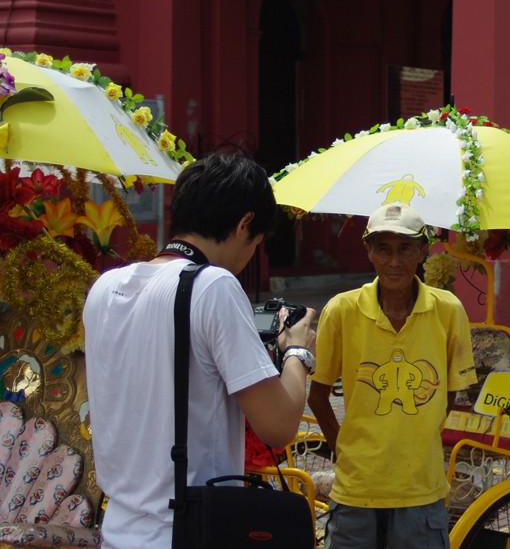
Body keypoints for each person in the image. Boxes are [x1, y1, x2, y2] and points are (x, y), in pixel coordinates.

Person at [83, 152, 317, 549]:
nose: (247, 259)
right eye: (256, 243)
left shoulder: (106, 287)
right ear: (245, 223)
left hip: (116, 530)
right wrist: (297, 352)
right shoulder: (212, 286)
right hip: (185, 531)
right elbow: (278, 426)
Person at [308, 202, 477, 549]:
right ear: (368, 250)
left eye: (405, 249)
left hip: (421, 486)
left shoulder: (448, 310)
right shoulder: (341, 309)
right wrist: (343, 448)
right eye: (383, 248)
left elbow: (449, 394)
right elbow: (317, 395)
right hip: (356, 488)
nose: (395, 261)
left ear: (422, 251)